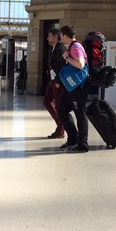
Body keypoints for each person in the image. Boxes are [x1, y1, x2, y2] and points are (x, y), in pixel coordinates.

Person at [57, 25, 89, 153]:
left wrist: (67, 58)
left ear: (65, 35)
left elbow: (80, 65)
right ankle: (73, 138)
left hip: (78, 87)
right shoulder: (72, 46)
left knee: (80, 114)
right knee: (61, 109)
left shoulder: (75, 47)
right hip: (71, 86)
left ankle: (82, 144)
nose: (61, 38)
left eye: (61, 36)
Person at [43, 28, 67, 138]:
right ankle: (61, 126)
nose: (47, 38)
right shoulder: (53, 48)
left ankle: (61, 129)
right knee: (47, 101)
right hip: (53, 80)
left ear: (55, 36)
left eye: (49, 36)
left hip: (58, 81)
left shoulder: (60, 48)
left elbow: (62, 65)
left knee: (59, 106)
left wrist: (58, 80)